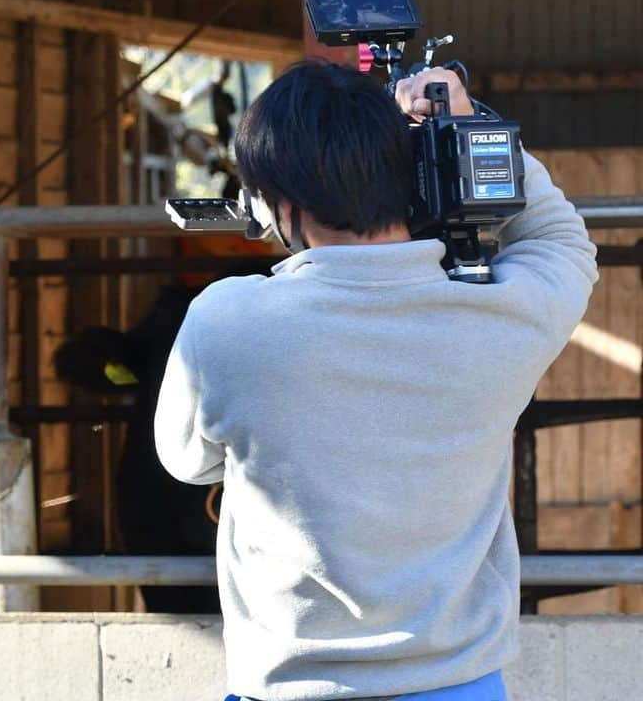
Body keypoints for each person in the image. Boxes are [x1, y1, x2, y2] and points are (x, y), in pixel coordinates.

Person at [154, 62, 598, 701]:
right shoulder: (501, 317)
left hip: (288, 686)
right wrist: (465, 122)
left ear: (280, 203)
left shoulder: (227, 321)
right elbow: (560, 238)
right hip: (461, 685)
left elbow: (186, 462)